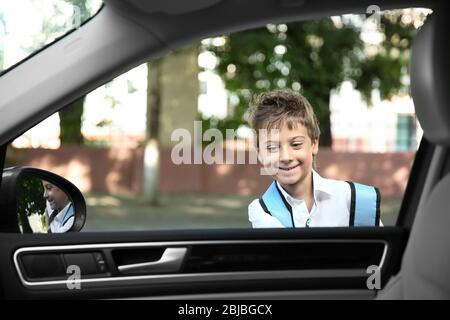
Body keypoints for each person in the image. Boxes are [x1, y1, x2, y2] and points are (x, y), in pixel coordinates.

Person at [247, 89, 381, 228]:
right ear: (259, 153)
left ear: (314, 143)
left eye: (296, 144)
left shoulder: (356, 200)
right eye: (272, 148)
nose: (285, 157)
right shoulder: (263, 212)